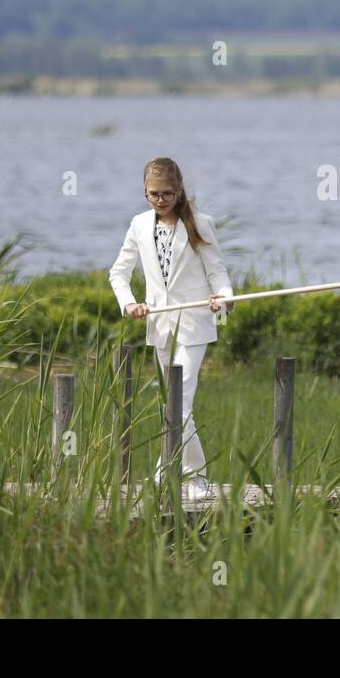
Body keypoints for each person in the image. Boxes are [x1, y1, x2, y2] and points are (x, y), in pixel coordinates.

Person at [108, 157, 235, 500]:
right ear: (144, 192)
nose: (160, 200)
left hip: (194, 323)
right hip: (160, 323)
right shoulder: (138, 225)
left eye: (166, 194)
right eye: (153, 194)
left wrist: (223, 298)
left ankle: (195, 478)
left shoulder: (200, 224)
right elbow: (118, 273)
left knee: (181, 401)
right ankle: (167, 471)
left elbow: (218, 273)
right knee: (170, 402)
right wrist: (130, 303)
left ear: (178, 192)